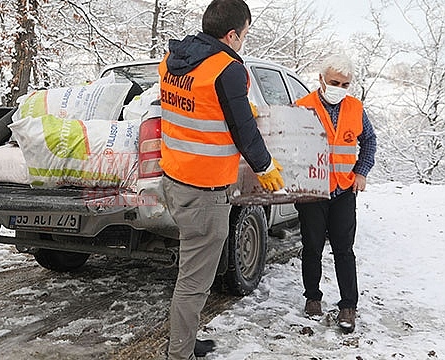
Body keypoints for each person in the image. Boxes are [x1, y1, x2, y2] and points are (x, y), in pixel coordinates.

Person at [158, 0, 285, 358]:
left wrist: (238, 103)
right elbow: (244, 132)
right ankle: (179, 353)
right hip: (204, 193)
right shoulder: (226, 70)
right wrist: (265, 167)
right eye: (244, 34)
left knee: (191, 269)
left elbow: (192, 105)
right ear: (232, 34)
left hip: (175, 180)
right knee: (195, 282)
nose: (244, 41)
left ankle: (185, 337)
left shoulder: (171, 61)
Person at [294, 54, 377, 333]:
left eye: (345, 83)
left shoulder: (355, 108)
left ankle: (348, 307)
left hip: (343, 189)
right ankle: (312, 298)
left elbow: (369, 141)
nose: (339, 87)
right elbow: (287, 146)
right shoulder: (303, 107)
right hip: (312, 191)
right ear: (321, 79)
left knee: (344, 250)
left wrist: (362, 172)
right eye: (334, 82)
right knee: (312, 247)